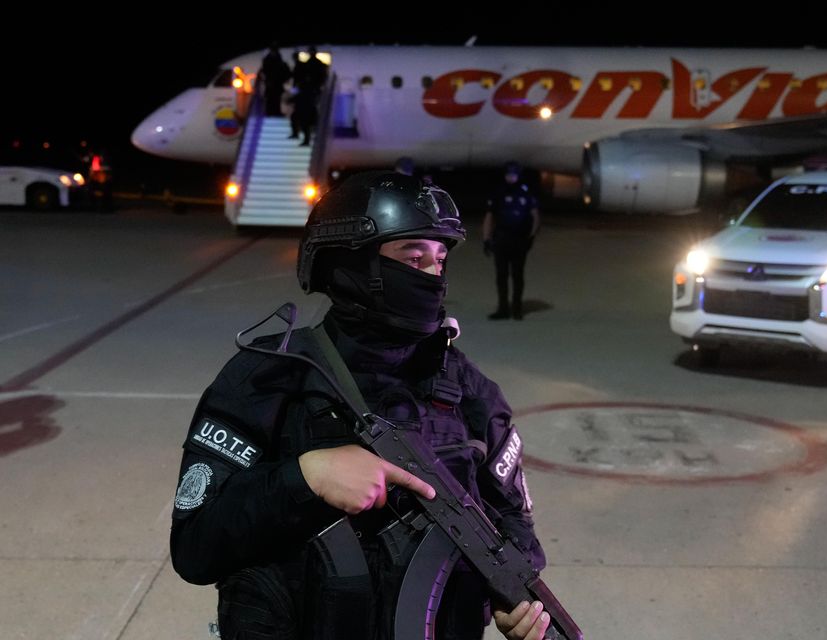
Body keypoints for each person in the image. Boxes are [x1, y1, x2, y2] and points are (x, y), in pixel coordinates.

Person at [170, 171, 551, 640]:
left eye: (439, 259)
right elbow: (194, 547)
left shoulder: (469, 391)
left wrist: (519, 607)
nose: (432, 276)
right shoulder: (270, 377)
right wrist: (303, 478)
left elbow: (515, 528)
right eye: (413, 257)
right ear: (349, 264)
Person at [482, 162, 540, 320]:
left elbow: (535, 216)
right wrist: (486, 238)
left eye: (513, 174)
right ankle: (502, 309)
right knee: (501, 276)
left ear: (518, 175)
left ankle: (517, 308)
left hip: (519, 240)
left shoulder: (526, 192)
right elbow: (489, 216)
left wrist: (532, 236)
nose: (510, 177)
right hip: (501, 239)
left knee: (517, 275)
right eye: (508, 174)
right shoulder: (499, 192)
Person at [260, 43, 291, 117]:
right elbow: (266, 71)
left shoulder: (277, 58)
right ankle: (270, 112)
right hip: (272, 83)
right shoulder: (269, 59)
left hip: (277, 83)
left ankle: (275, 112)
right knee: (271, 98)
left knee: (276, 98)